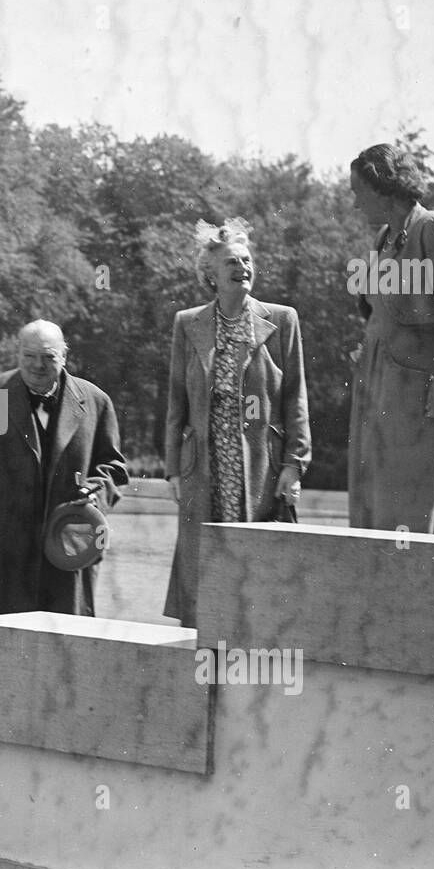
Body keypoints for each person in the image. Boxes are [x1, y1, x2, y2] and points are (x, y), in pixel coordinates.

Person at [162, 219, 311, 628]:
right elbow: (176, 400)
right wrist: (174, 468)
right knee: (204, 568)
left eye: (247, 260)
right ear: (210, 274)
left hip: (261, 467)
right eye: (232, 262)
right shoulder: (187, 323)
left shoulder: (283, 320)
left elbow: (295, 396)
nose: (242, 267)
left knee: (257, 567)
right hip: (203, 466)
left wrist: (294, 465)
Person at [0, 319, 127, 617]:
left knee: (66, 645)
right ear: (17, 355)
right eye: (29, 356)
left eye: (48, 357)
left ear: (64, 356)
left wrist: (95, 493)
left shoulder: (96, 401)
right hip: (1, 550)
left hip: (68, 547)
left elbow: (114, 468)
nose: (37, 365)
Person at [347, 144, 434, 534]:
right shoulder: (382, 240)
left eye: (358, 192)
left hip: (417, 390)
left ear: (382, 187)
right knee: (370, 501)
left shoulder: (431, 228)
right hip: (375, 385)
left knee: (407, 505)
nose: (356, 204)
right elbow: (379, 313)